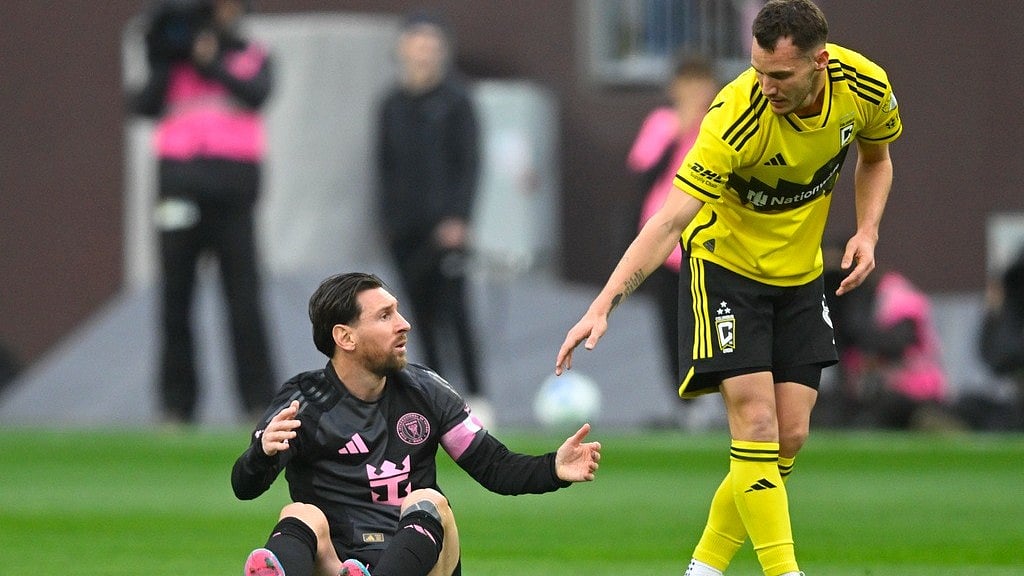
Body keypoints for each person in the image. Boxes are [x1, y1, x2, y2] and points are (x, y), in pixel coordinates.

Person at [555, 1, 902, 575]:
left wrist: (867, 230)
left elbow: (877, 157)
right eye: (758, 69)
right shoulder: (735, 115)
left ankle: (704, 568)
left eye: (781, 75)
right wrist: (603, 305)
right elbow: (668, 221)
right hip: (726, 270)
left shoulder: (864, 85)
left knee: (787, 437)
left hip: (799, 275)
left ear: (820, 62)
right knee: (757, 423)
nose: (766, 85)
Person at [235, 272, 601, 576]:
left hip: (421, 562)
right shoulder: (303, 402)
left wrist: (553, 467)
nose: (404, 324)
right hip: (339, 564)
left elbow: (494, 467)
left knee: (429, 501)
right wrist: (261, 453)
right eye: (385, 316)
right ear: (345, 337)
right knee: (301, 515)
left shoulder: (426, 391)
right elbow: (245, 486)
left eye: (397, 312)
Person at [129, 0, 277, 424]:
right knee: (175, 301)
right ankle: (177, 406)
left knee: (244, 302)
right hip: (178, 194)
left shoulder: (250, 53)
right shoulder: (171, 62)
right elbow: (143, 105)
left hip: (233, 198)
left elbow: (258, 92)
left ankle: (257, 401)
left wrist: (211, 63)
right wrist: (165, 61)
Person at [375, 12, 489, 419]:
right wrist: (387, 221)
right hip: (406, 231)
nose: (423, 54)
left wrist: (459, 217)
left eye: (431, 46)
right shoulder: (390, 104)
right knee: (415, 319)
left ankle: (477, 397)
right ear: (403, 49)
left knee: (455, 313)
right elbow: (383, 167)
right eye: (416, 45)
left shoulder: (457, 101)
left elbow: (469, 163)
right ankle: (439, 402)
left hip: (446, 230)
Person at [626, 53, 719, 424]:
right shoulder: (662, 123)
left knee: (711, 324)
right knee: (671, 328)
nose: (696, 91)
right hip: (665, 248)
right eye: (688, 82)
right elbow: (644, 173)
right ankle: (686, 405)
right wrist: (679, 130)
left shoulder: (720, 124)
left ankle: (717, 399)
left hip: (710, 243)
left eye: (703, 82)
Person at [822, 242, 949, 429]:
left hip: (912, 389)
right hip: (864, 391)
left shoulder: (894, 293)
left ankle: (930, 421)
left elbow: (897, 342)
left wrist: (856, 328)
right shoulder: (848, 297)